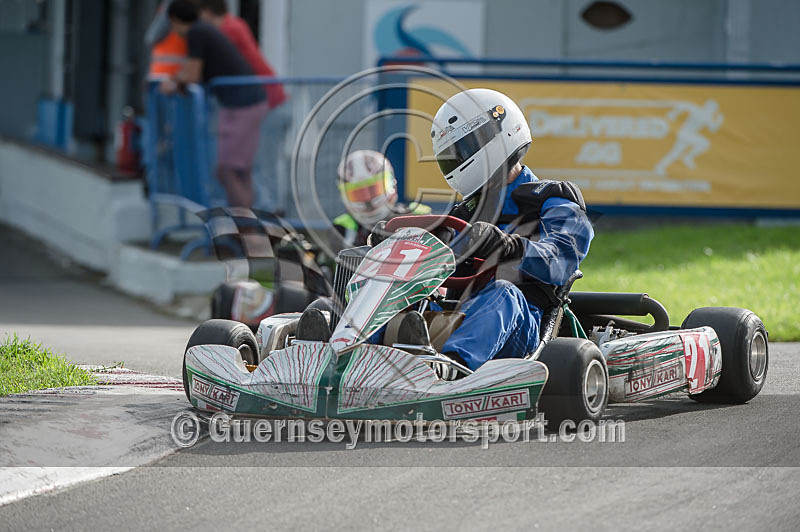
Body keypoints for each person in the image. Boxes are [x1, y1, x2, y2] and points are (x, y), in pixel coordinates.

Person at [161, 0, 268, 208]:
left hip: (242, 106)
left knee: (227, 170)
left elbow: (192, 73)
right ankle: (248, 227)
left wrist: (172, 83)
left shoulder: (197, 33)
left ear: (174, 20)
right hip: (248, 103)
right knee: (239, 170)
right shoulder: (205, 30)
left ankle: (245, 226)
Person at [197, 0, 287, 110]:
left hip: (263, 94)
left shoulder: (228, 30)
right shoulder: (235, 23)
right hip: (265, 90)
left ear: (207, 12)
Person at [333, 150, 431, 248]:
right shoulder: (342, 227)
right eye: (359, 193)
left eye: (373, 189)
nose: (368, 201)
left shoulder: (416, 215)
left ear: (390, 182)